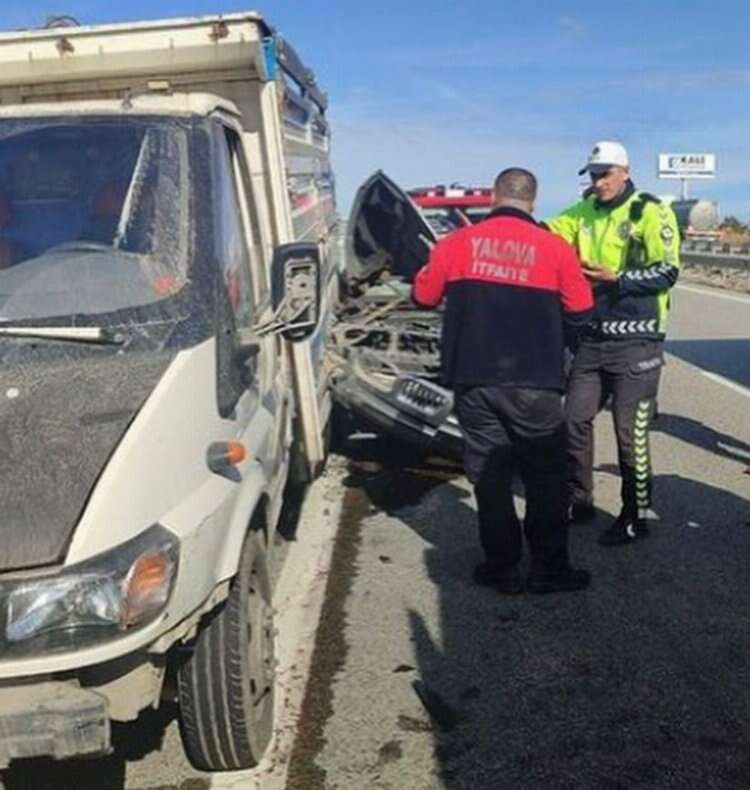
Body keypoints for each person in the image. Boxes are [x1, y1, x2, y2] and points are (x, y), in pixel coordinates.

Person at [412, 168, 593, 594]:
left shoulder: (455, 243)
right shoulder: (555, 248)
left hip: (473, 379)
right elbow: (582, 309)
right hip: (535, 381)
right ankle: (549, 569)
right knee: (546, 477)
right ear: (533, 201)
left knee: (490, 475)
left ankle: (501, 568)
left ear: (494, 197)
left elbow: (423, 296)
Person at [546, 141, 680, 546]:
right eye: (593, 174)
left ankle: (635, 515)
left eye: (605, 174)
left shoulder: (650, 209)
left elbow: (668, 271)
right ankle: (579, 499)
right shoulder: (583, 209)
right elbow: (546, 234)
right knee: (573, 421)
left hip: (637, 341)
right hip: (591, 338)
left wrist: (616, 278)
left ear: (625, 171)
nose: (599, 182)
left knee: (629, 434)